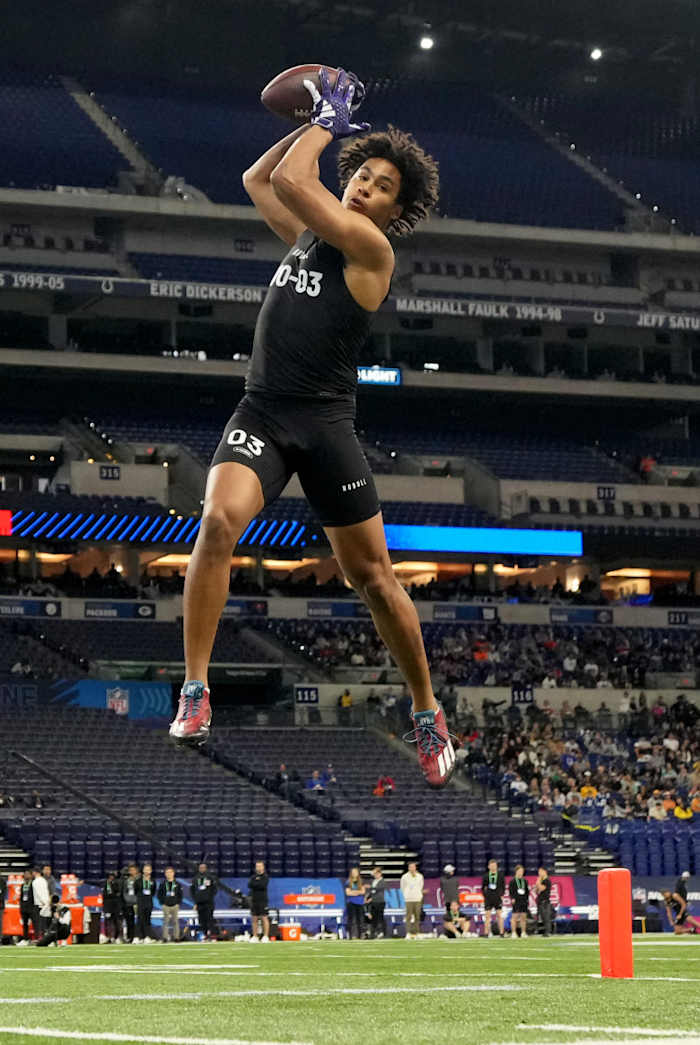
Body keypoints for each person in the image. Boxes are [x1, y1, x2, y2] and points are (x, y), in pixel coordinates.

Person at [168, 69, 454, 789]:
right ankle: (195, 691)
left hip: (326, 427)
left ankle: (426, 712)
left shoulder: (371, 252)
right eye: (363, 175)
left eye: (384, 186)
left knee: (375, 580)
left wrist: (328, 121)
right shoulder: (308, 236)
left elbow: (298, 181)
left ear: (397, 211)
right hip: (261, 411)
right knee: (215, 524)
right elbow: (260, 177)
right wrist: (314, 117)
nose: (365, 187)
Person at [192, 862, 218, 940]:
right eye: (201, 867)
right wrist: (196, 900)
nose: (202, 869)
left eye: (203, 867)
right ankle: (205, 935)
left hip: (209, 902)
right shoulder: (195, 879)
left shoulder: (210, 878)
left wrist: (209, 897)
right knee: (202, 920)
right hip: (199, 903)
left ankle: (212, 935)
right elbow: (192, 890)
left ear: (206, 868)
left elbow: (214, 889)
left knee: (210, 919)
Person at [157, 867, 182, 943]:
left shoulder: (177, 884)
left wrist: (177, 902)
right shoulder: (163, 884)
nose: (169, 874)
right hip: (166, 905)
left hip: (175, 905)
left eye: (170, 872)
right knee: (165, 922)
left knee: (175, 922)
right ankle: (165, 937)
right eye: (167, 872)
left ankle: (176, 937)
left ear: (173, 873)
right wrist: (162, 903)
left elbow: (180, 894)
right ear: (165, 874)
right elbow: (159, 894)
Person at [400, 860, 424, 940]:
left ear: (415, 867)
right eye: (410, 867)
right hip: (409, 899)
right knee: (408, 916)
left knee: (417, 916)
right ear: (408, 868)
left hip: (417, 898)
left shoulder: (420, 876)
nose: (412, 868)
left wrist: (418, 894)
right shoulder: (404, 877)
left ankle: (416, 932)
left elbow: (421, 887)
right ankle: (408, 933)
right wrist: (407, 895)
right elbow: (402, 887)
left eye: (413, 867)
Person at [482, 859, 506, 938]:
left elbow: (503, 886)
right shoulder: (485, 876)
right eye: (491, 865)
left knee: (499, 915)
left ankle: (502, 932)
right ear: (488, 867)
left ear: (496, 866)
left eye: (494, 865)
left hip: (497, 898)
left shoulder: (500, 875)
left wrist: (501, 895)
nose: (493, 867)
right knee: (487, 916)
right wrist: (486, 895)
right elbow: (483, 887)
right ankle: (486, 933)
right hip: (489, 898)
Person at [248, 860, 270, 942]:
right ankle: (255, 936)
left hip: (263, 900)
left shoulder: (265, 877)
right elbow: (250, 885)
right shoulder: (253, 877)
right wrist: (256, 883)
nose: (258, 868)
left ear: (263, 867)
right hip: (254, 900)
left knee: (264, 917)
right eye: (257, 866)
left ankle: (265, 936)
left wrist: (256, 884)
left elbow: (262, 885)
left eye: (260, 866)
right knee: (254, 918)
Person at [137, 864, 156, 943]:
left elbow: (153, 892)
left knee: (147, 920)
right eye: (146, 869)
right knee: (140, 919)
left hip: (149, 903)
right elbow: (136, 890)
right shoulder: (138, 881)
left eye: (149, 869)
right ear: (143, 870)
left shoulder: (152, 881)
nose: (147, 871)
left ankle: (147, 936)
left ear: (151, 871)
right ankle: (139, 937)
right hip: (141, 902)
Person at [345, 866, 366, 939]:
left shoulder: (361, 881)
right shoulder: (348, 882)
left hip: (360, 903)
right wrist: (358, 892)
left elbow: (363, 892)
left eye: (356, 872)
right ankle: (350, 935)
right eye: (353, 872)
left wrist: (353, 892)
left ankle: (361, 935)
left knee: (360, 919)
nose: (354, 873)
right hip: (351, 903)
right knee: (351, 919)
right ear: (351, 873)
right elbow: (348, 893)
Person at [508, 865, 529, 939]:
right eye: (519, 871)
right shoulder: (513, 881)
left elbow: (527, 891)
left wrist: (527, 899)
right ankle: (513, 933)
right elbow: (511, 891)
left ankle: (523, 932)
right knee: (514, 917)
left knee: (523, 917)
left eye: (522, 871)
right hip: (516, 901)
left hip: (523, 901)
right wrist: (512, 898)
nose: (521, 873)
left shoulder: (525, 881)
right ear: (516, 871)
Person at [17, 870, 37, 946]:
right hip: (24, 908)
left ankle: (36, 939)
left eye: (28, 874)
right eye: (25, 874)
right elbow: (22, 897)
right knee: (25, 925)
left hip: (31, 907)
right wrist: (21, 907)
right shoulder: (23, 885)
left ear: (31, 875)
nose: (26, 876)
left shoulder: (33, 884)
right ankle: (25, 939)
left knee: (35, 924)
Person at [103, 871, 123, 943]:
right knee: (108, 922)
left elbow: (117, 893)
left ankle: (116, 937)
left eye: (112, 877)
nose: (111, 878)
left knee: (116, 922)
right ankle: (108, 937)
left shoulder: (116, 884)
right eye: (110, 877)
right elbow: (104, 895)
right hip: (108, 906)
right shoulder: (105, 884)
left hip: (115, 906)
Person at [122, 864, 140, 943]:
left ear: (137, 871)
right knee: (129, 921)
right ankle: (130, 937)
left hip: (137, 903)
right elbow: (124, 891)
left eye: (133, 870)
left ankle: (139, 936)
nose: (132, 872)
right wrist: (127, 899)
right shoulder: (127, 880)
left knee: (139, 921)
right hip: (128, 903)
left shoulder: (140, 879)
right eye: (130, 870)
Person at [367, 866, 386, 939]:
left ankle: (381, 932)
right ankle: (374, 932)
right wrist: (369, 898)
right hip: (374, 901)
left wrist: (370, 888)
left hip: (380, 901)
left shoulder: (382, 881)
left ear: (380, 873)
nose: (374, 875)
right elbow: (373, 892)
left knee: (380, 917)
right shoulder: (374, 881)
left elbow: (378, 889)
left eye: (376, 873)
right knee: (373, 918)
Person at [31, 866, 51, 935]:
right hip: (46, 903)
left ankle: (41, 937)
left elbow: (39, 893)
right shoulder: (43, 880)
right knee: (45, 922)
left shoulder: (35, 881)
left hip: (40, 904)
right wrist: (47, 902)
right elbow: (46, 891)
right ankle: (45, 936)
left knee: (39, 923)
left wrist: (43, 902)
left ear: (35, 873)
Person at [536, 866, 553, 937]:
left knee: (546, 917)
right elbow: (537, 891)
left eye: (540, 871)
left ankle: (548, 931)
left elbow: (541, 888)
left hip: (545, 902)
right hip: (540, 901)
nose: (539, 873)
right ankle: (546, 931)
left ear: (544, 872)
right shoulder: (542, 881)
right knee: (543, 917)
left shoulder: (547, 881)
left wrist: (538, 880)